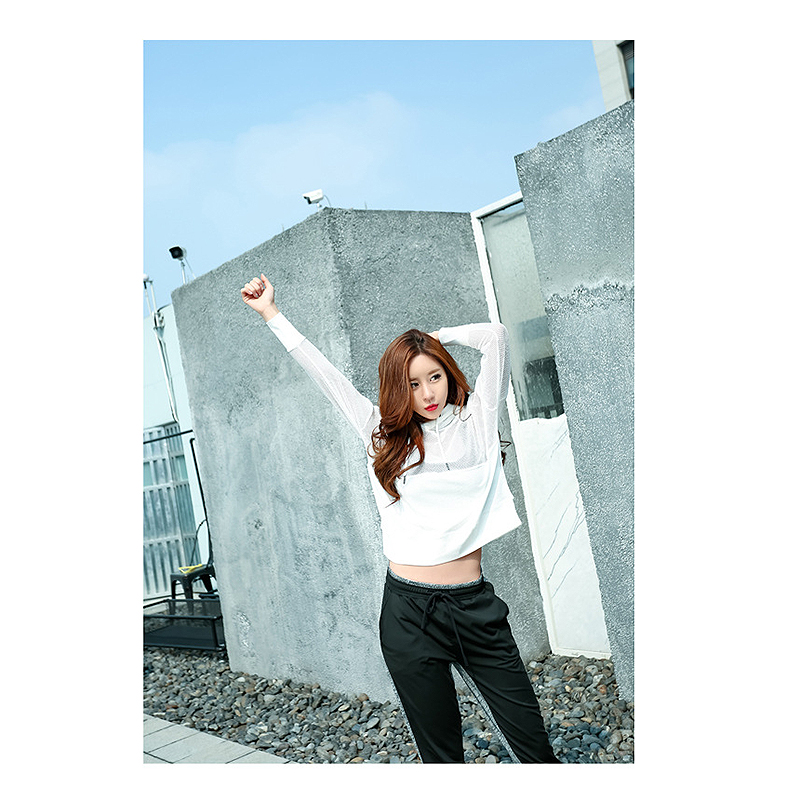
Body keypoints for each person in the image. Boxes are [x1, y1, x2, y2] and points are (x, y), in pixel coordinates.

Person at [241, 273, 559, 764]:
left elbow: (495, 337)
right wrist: (271, 314)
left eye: (435, 376)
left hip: (474, 607)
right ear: (397, 388)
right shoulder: (380, 434)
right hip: (408, 612)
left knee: (534, 749)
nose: (428, 392)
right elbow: (323, 373)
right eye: (412, 383)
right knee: (441, 758)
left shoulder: (477, 419)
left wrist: (437, 336)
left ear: (448, 374)